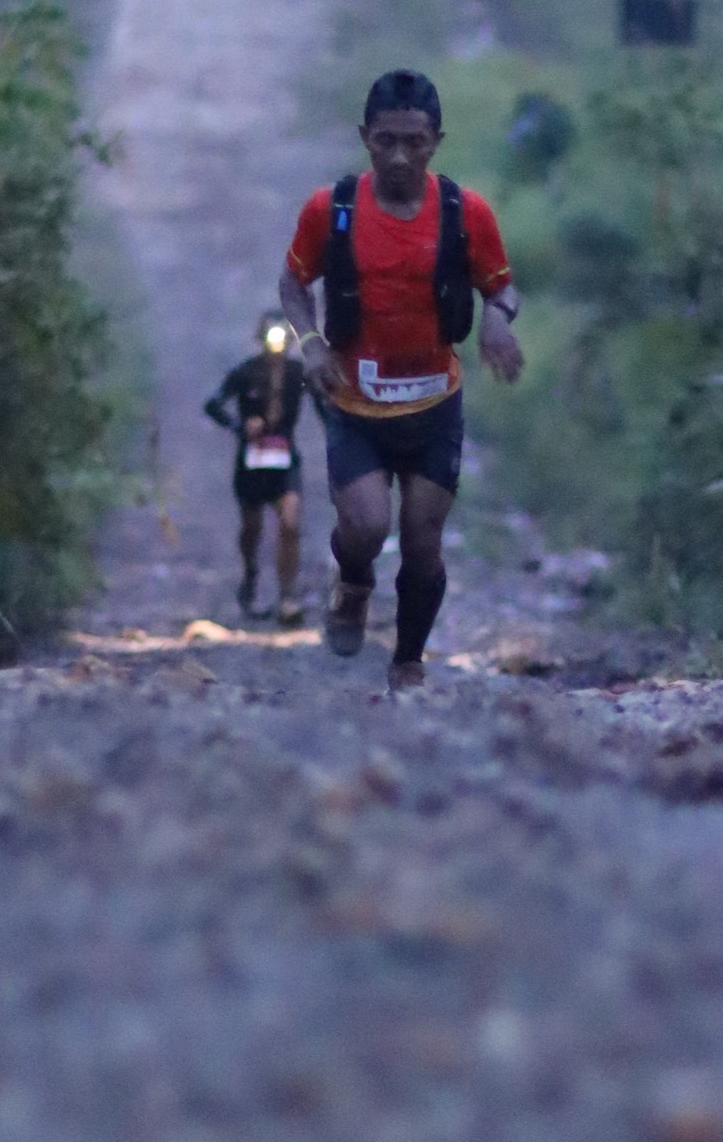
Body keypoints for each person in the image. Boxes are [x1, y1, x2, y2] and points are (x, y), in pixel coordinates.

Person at [275, 68, 522, 685]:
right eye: (386, 141)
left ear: (437, 141)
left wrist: (497, 320)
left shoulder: (465, 212)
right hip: (354, 406)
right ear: (365, 137)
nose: (400, 156)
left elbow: (501, 286)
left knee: (421, 541)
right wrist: (311, 345)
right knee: (366, 527)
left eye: (415, 142)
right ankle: (353, 583)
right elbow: (293, 283)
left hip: (434, 407)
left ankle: (408, 661)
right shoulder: (330, 210)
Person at [204, 316, 308, 623]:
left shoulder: (298, 374)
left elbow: (325, 403)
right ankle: (250, 576)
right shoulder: (246, 372)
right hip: (251, 461)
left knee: (290, 522)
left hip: (285, 459)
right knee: (252, 526)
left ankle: (287, 596)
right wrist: (239, 426)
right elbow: (213, 405)